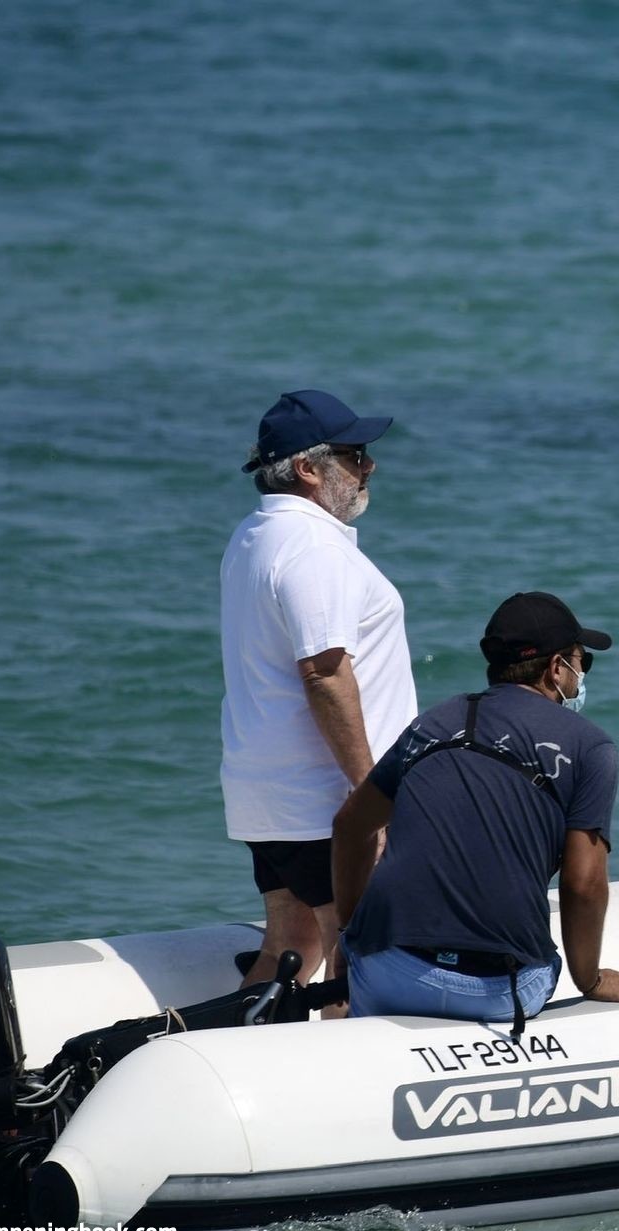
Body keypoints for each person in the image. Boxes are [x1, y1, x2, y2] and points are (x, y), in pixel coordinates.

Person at [332, 591, 619, 1026]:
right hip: (499, 988)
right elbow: (584, 884)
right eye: (583, 662)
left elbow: (350, 827)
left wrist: (348, 934)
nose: (582, 675)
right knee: (542, 960)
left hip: (390, 970)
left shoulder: (430, 724)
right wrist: (591, 980)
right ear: (557, 668)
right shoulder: (589, 747)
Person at [221, 390, 416, 990]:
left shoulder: (254, 536)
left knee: (292, 942)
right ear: (308, 469)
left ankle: (243, 1038)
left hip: (267, 790)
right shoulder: (314, 549)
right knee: (354, 953)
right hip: (324, 801)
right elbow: (325, 674)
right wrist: (369, 797)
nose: (369, 467)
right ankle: (337, 1045)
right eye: (354, 455)